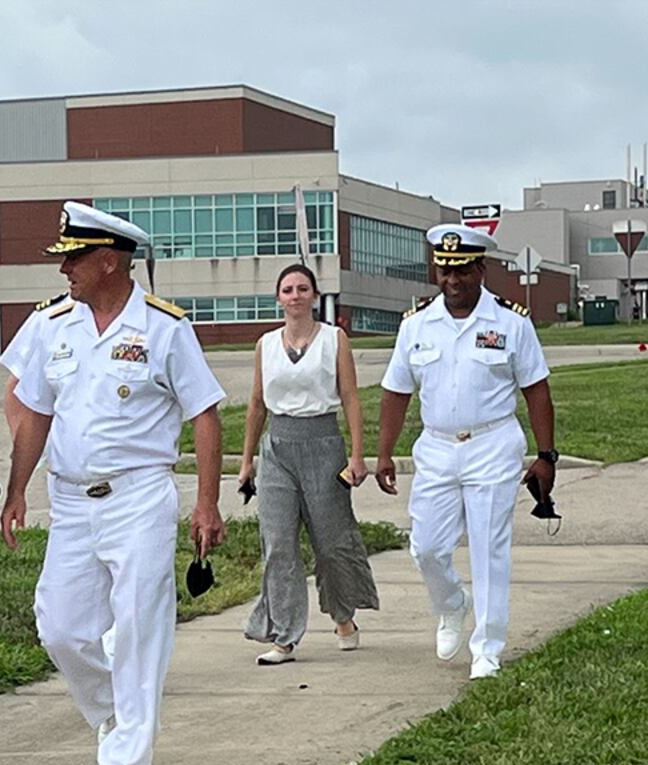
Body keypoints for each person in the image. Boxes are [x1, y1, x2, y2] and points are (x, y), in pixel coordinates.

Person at [0, 202, 227, 765]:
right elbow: (35, 411)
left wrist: (207, 503)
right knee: (60, 627)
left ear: (109, 261)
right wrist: (16, 488)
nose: (63, 270)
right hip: (71, 499)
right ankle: (113, 711)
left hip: (139, 496)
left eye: (73, 258)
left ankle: (126, 760)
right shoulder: (53, 325)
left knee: (137, 628)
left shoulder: (162, 327)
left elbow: (204, 414)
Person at [376, 224, 556, 680]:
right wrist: (384, 454)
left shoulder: (511, 322)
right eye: (444, 271)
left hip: (492, 444)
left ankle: (487, 650)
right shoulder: (416, 324)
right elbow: (396, 392)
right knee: (427, 549)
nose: (452, 281)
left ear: (480, 269)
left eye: (461, 272)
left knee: (489, 549)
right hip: (436, 448)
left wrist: (546, 455)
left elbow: (537, 390)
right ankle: (453, 603)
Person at [237, 264, 378, 665]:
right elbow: (256, 404)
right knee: (279, 544)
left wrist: (356, 454)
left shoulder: (335, 340)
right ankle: (283, 636)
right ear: (278, 298)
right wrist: (247, 461)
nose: (295, 295)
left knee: (331, 543)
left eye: (303, 289)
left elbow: (350, 397)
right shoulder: (265, 344)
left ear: (315, 296)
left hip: (323, 445)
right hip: (278, 450)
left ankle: (343, 615)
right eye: (287, 289)